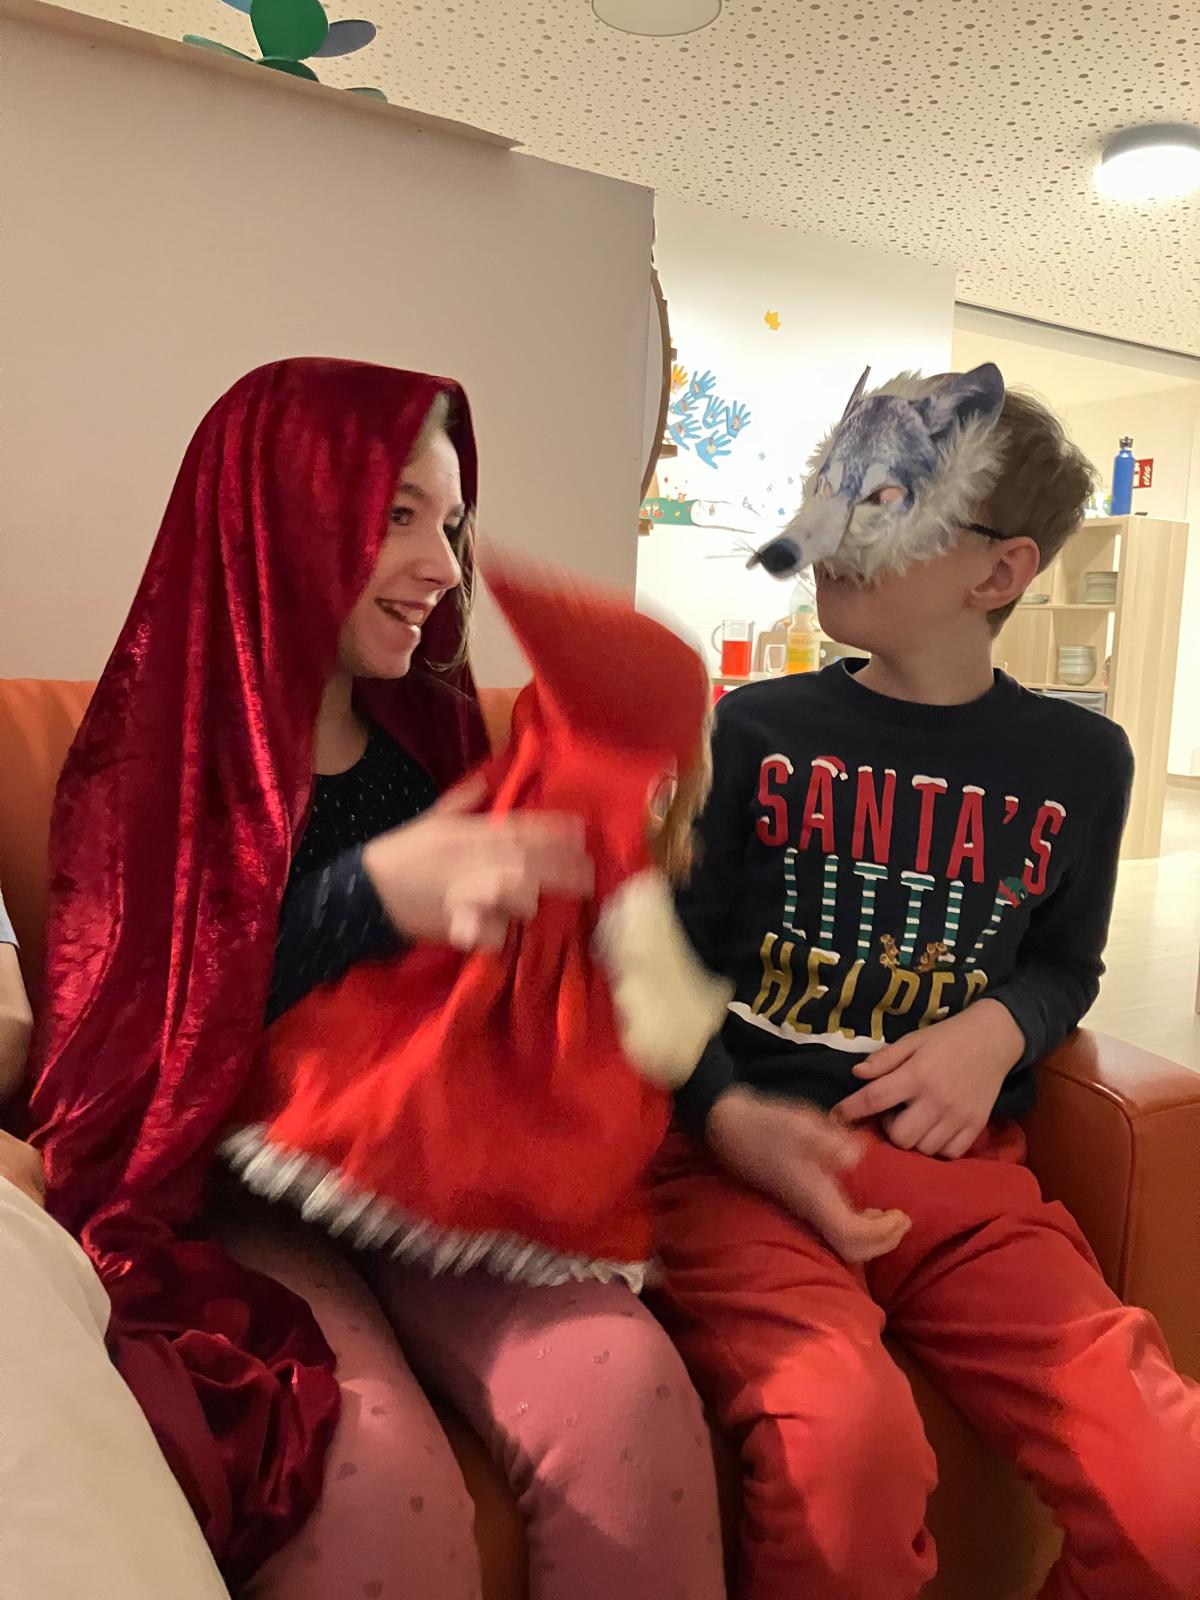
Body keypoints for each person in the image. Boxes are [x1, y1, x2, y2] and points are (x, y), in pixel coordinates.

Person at [25, 359, 725, 1600]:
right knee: (368, 1476)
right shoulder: (155, 760)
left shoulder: (428, 744)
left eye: (452, 524)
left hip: (430, 1173)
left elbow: (544, 984)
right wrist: (367, 897)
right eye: (398, 514)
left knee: (629, 1386)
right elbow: (123, 1038)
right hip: (227, 1202)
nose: (443, 566)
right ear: (283, 513)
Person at [650, 368, 1200, 1600]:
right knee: (846, 1454)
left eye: (887, 499)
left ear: (998, 571)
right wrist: (727, 1120)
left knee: (1173, 1492)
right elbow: (665, 966)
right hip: (746, 1175)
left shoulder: (1082, 762)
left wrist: (1000, 1026)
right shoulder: (752, 731)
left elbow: (1064, 963)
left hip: (960, 1190)